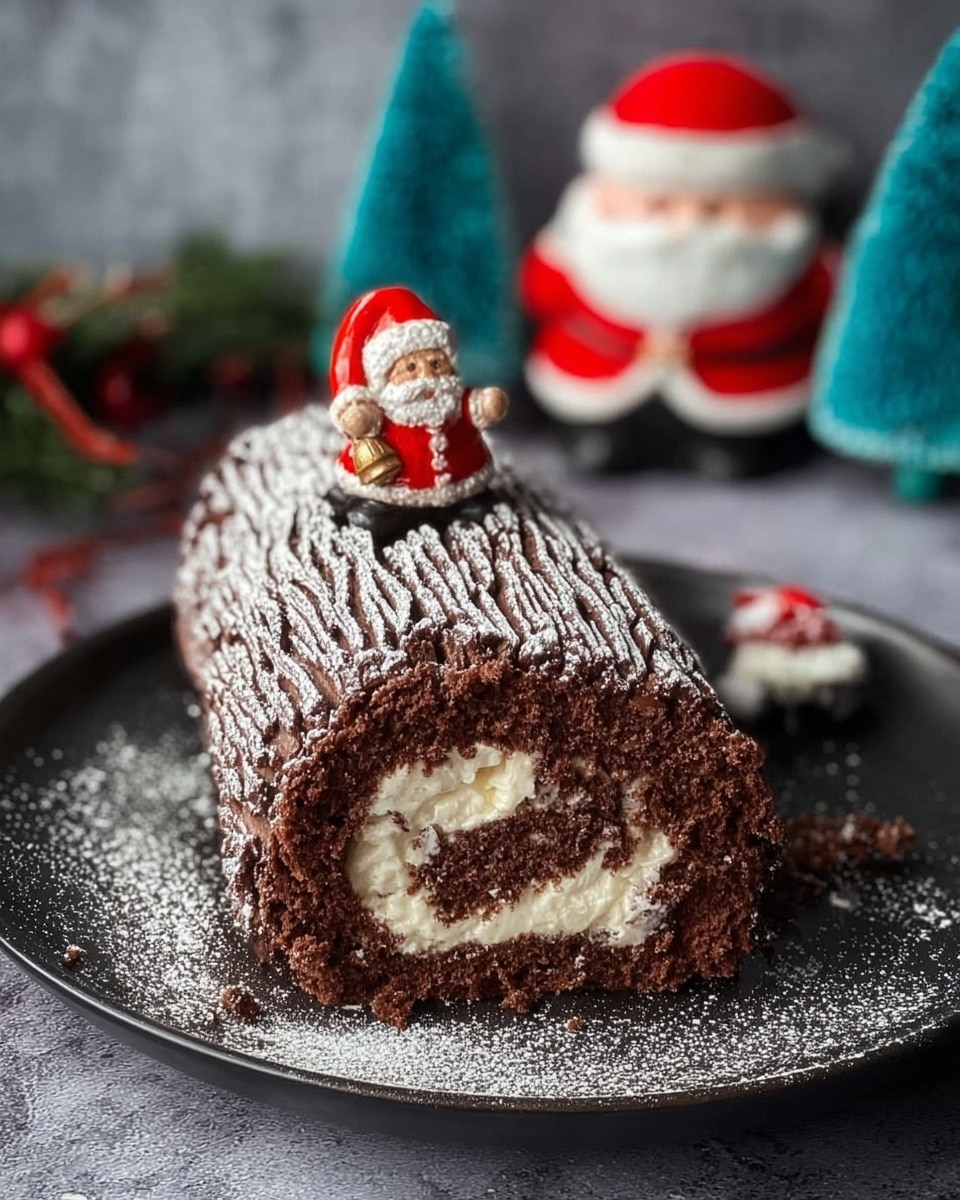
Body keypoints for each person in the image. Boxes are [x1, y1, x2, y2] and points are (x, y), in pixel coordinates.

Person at [520, 52, 846, 477]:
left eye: (715, 208)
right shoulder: (575, 245)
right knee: (595, 428)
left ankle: (730, 451)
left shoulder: (801, 260)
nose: (685, 225)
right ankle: (599, 440)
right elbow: (539, 291)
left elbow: (835, 309)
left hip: (748, 391)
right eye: (657, 205)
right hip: (597, 377)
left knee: (748, 439)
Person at [329, 286, 508, 512]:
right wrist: (359, 417)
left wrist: (487, 404)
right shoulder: (384, 412)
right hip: (392, 492)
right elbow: (361, 420)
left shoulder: (453, 401)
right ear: (385, 378)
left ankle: (466, 503)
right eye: (411, 367)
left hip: (463, 480)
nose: (427, 376)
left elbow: (474, 407)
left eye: (435, 364)